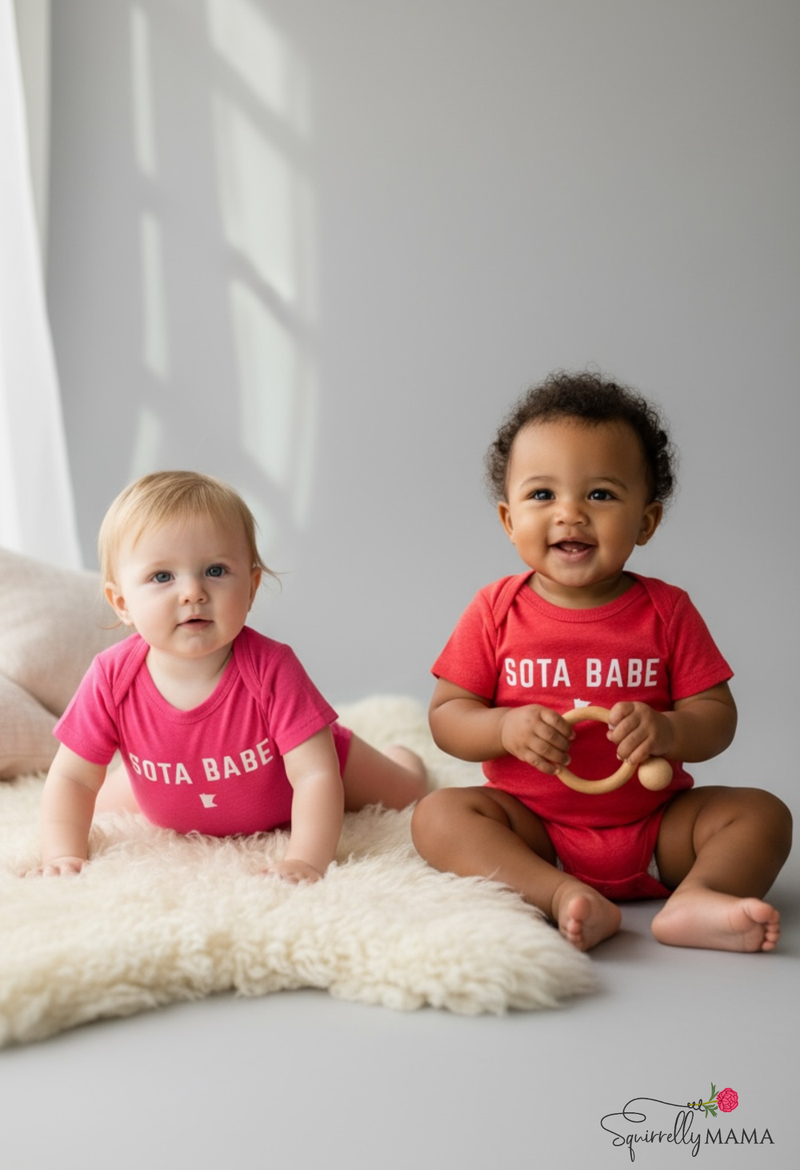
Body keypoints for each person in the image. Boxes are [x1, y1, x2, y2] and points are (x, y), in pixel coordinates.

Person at [411, 371, 791, 953]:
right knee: (438, 816)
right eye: (543, 495)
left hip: (659, 829)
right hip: (536, 832)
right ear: (510, 520)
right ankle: (558, 893)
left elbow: (717, 717)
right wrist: (504, 728)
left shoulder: (666, 611)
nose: (570, 514)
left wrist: (669, 730)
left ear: (646, 521)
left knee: (764, 814)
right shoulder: (495, 610)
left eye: (601, 495)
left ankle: (697, 896)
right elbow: (447, 716)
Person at [27, 471, 427, 882]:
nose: (193, 592)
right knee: (94, 803)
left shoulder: (272, 667)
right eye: (162, 576)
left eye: (215, 570)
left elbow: (314, 775)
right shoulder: (111, 677)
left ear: (251, 587)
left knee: (408, 792)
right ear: (122, 602)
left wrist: (305, 860)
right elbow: (72, 778)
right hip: (172, 780)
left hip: (314, 766)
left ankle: (402, 755)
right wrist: (62, 854)